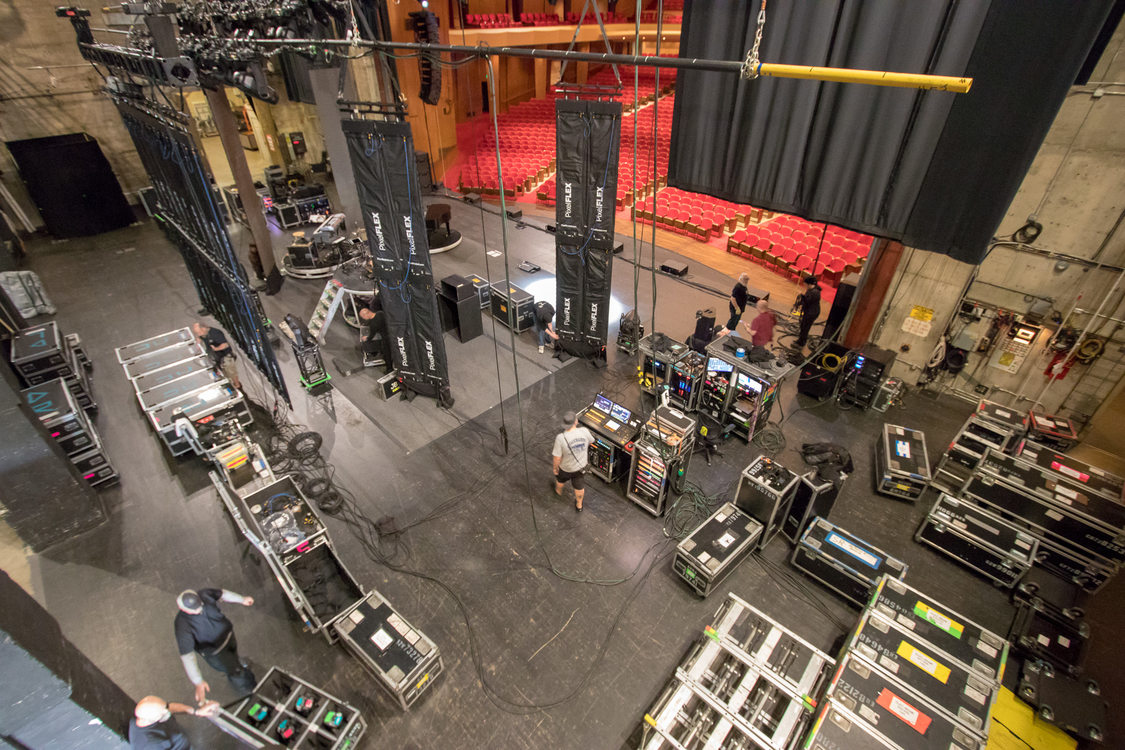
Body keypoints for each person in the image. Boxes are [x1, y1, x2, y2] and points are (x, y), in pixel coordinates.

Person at [174, 588, 257, 704]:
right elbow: (188, 656)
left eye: (200, 606)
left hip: (229, 637)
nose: (198, 610)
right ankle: (248, 689)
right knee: (234, 671)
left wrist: (242, 600)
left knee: (234, 658)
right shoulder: (182, 625)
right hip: (217, 654)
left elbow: (223, 594)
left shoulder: (205, 594)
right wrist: (198, 681)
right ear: (182, 609)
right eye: (194, 610)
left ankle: (237, 664)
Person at [128, 695, 219, 750]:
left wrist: (196, 711)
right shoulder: (150, 744)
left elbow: (172, 707)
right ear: (153, 718)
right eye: (163, 713)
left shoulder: (147, 716)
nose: (168, 712)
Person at [552, 411, 593, 511]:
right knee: (579, 487)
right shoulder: (584, 431)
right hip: (580, 468)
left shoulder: (561, 438)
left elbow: (557, 457)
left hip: (565, 468)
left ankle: (558, 492)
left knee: (560, 480)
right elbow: (591, 441)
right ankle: (579, 505)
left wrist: (555, 468)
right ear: (576, 421)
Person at [191, 322, 240, 389]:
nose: (198, 334)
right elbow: (199, 337)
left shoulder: (215, 333)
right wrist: (198, 341)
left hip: (224, 354)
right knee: (220, 371)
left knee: (230, 371)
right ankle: (227, 382)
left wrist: (216, 349)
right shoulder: (203, 333)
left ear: (204, 328)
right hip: (215, 356)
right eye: (197, 333)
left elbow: (225, 345)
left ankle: (237, 385)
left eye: (199, 332)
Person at [357, 294, 390, 368]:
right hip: (393, 333)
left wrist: (366, 338)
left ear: (366, 315)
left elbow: (371, 334)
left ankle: (389, 368)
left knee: (387, 354)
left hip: (386, 338)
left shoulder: (373, 324)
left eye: (363, 317)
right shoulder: (380, 313)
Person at [795, 274, 822, 349]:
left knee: (805, 327)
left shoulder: (815, 292)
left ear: (809, 284)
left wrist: (802, 296)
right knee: (803, 325)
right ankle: (800, 340)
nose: (805, 286)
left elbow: (808, 301)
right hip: (809, 311)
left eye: (806, 284)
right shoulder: (811, 290)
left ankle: (801, 343)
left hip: (812, 313)